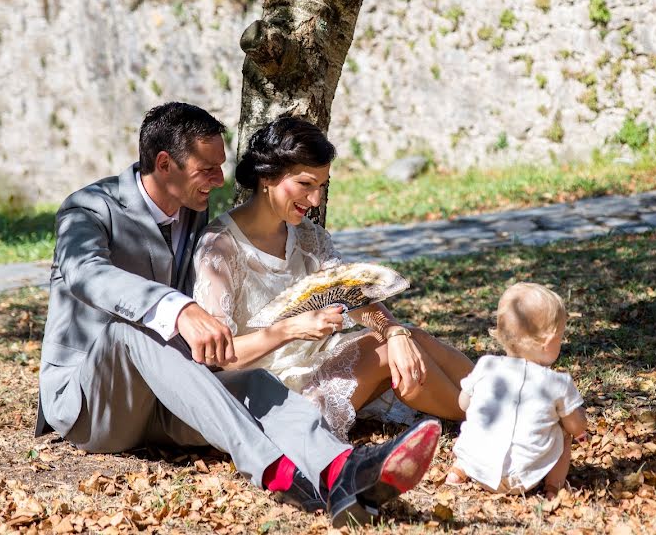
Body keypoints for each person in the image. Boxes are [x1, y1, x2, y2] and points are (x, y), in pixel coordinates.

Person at [36, 102, 441, 528]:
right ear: (164, 163)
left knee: (257, 382)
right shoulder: (88, 209)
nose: (219, 179)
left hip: (167, 395)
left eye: (220, 165)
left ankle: (340, 470)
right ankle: (277, 472)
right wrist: (178, 309)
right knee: (128, 333)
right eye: (207, 168)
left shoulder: (193, 209)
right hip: (94, 405)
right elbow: (87, 273)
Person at [191, 117, 474, 442]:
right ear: (267, 177)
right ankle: (494, 420)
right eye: (305, 184)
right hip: (266, 392)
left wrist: (395, 331)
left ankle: (500, 400)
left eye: (321, 186)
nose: (314, 201)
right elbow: (215, 357)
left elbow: (353, 297)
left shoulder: (309, 237)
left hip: (318, 363)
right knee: (381, 350)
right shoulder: (219, 248)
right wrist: (289, 329)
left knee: (410, 338)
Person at [445, 283, 587, 498]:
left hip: (479, 471)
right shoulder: (557, 383)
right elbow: (577, 427)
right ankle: (553, 487)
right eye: (560, 337)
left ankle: (460, 469)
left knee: (477, 425)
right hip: (522, 479)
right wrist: (577, 427)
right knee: (564, 433)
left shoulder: (486, 365)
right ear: (549, 341)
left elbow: (463, 404)